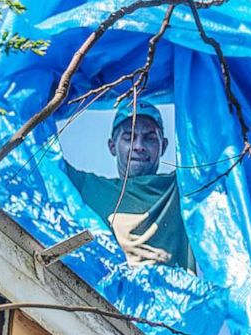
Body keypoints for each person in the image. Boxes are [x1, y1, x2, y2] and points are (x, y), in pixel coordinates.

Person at [61, 102, 196, 271]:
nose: (139, 146)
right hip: (105, 295)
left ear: (164, 146)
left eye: (149, 138)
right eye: (129, 137)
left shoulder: (184, 187)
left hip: (176, 293)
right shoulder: (87, 187)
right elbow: (42, 163)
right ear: (112, 146)